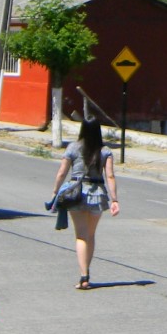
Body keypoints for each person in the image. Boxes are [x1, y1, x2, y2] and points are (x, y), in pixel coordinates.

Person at [50, 118, 120, 289]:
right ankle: (86, 272)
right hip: (97, 194)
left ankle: (83, 276)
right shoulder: (105, 151)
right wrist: (114, 199)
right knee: (90, 235)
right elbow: (110, 176)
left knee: (81, 235)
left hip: (76, 193)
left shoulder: (73, 148)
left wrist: (55, 191)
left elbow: (62, 172)